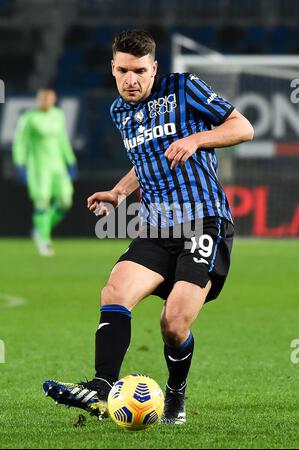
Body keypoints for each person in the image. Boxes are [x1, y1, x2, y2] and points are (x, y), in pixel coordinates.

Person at [43, 30, 253, 424]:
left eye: (139, 71)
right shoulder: (119, 112)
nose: (131, 79)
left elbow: (243, 127)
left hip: (204, 221)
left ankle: (176, 393)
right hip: (157, 226)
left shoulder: (184, 88)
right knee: (115, 289)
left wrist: (196, 139)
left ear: (154, 68)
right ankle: (102, 388)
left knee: (173, 324)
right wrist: (119, 192)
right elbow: (146, 161)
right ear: (113, 68)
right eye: (123, 70)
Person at [13, 89, 77, 256]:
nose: (47, 102)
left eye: (50, 99)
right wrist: (19, 163)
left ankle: (40, 228)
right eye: (44, 99)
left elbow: (62, 140)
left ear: (54, 100)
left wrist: (70, 160)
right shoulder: (29, 118)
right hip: (39, 167)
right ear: (39, 100)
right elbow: (20, 142)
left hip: (58, 166)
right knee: (42, 201)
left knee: (65, 200)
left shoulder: (58, 115)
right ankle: (44, 239)